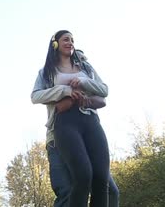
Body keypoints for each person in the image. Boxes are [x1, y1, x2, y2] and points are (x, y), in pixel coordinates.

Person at [31, 30, 111, 207]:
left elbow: (104, 90)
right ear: (55, 44)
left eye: (72, 40)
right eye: (66, 39)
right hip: (65, 121)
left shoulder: (86, 68)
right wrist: (65, 91)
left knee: (101, 177)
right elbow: (35, 96)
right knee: (83, 175)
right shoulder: (46, 72)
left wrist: (83, 83)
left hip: (90, 120)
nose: (70, 43)